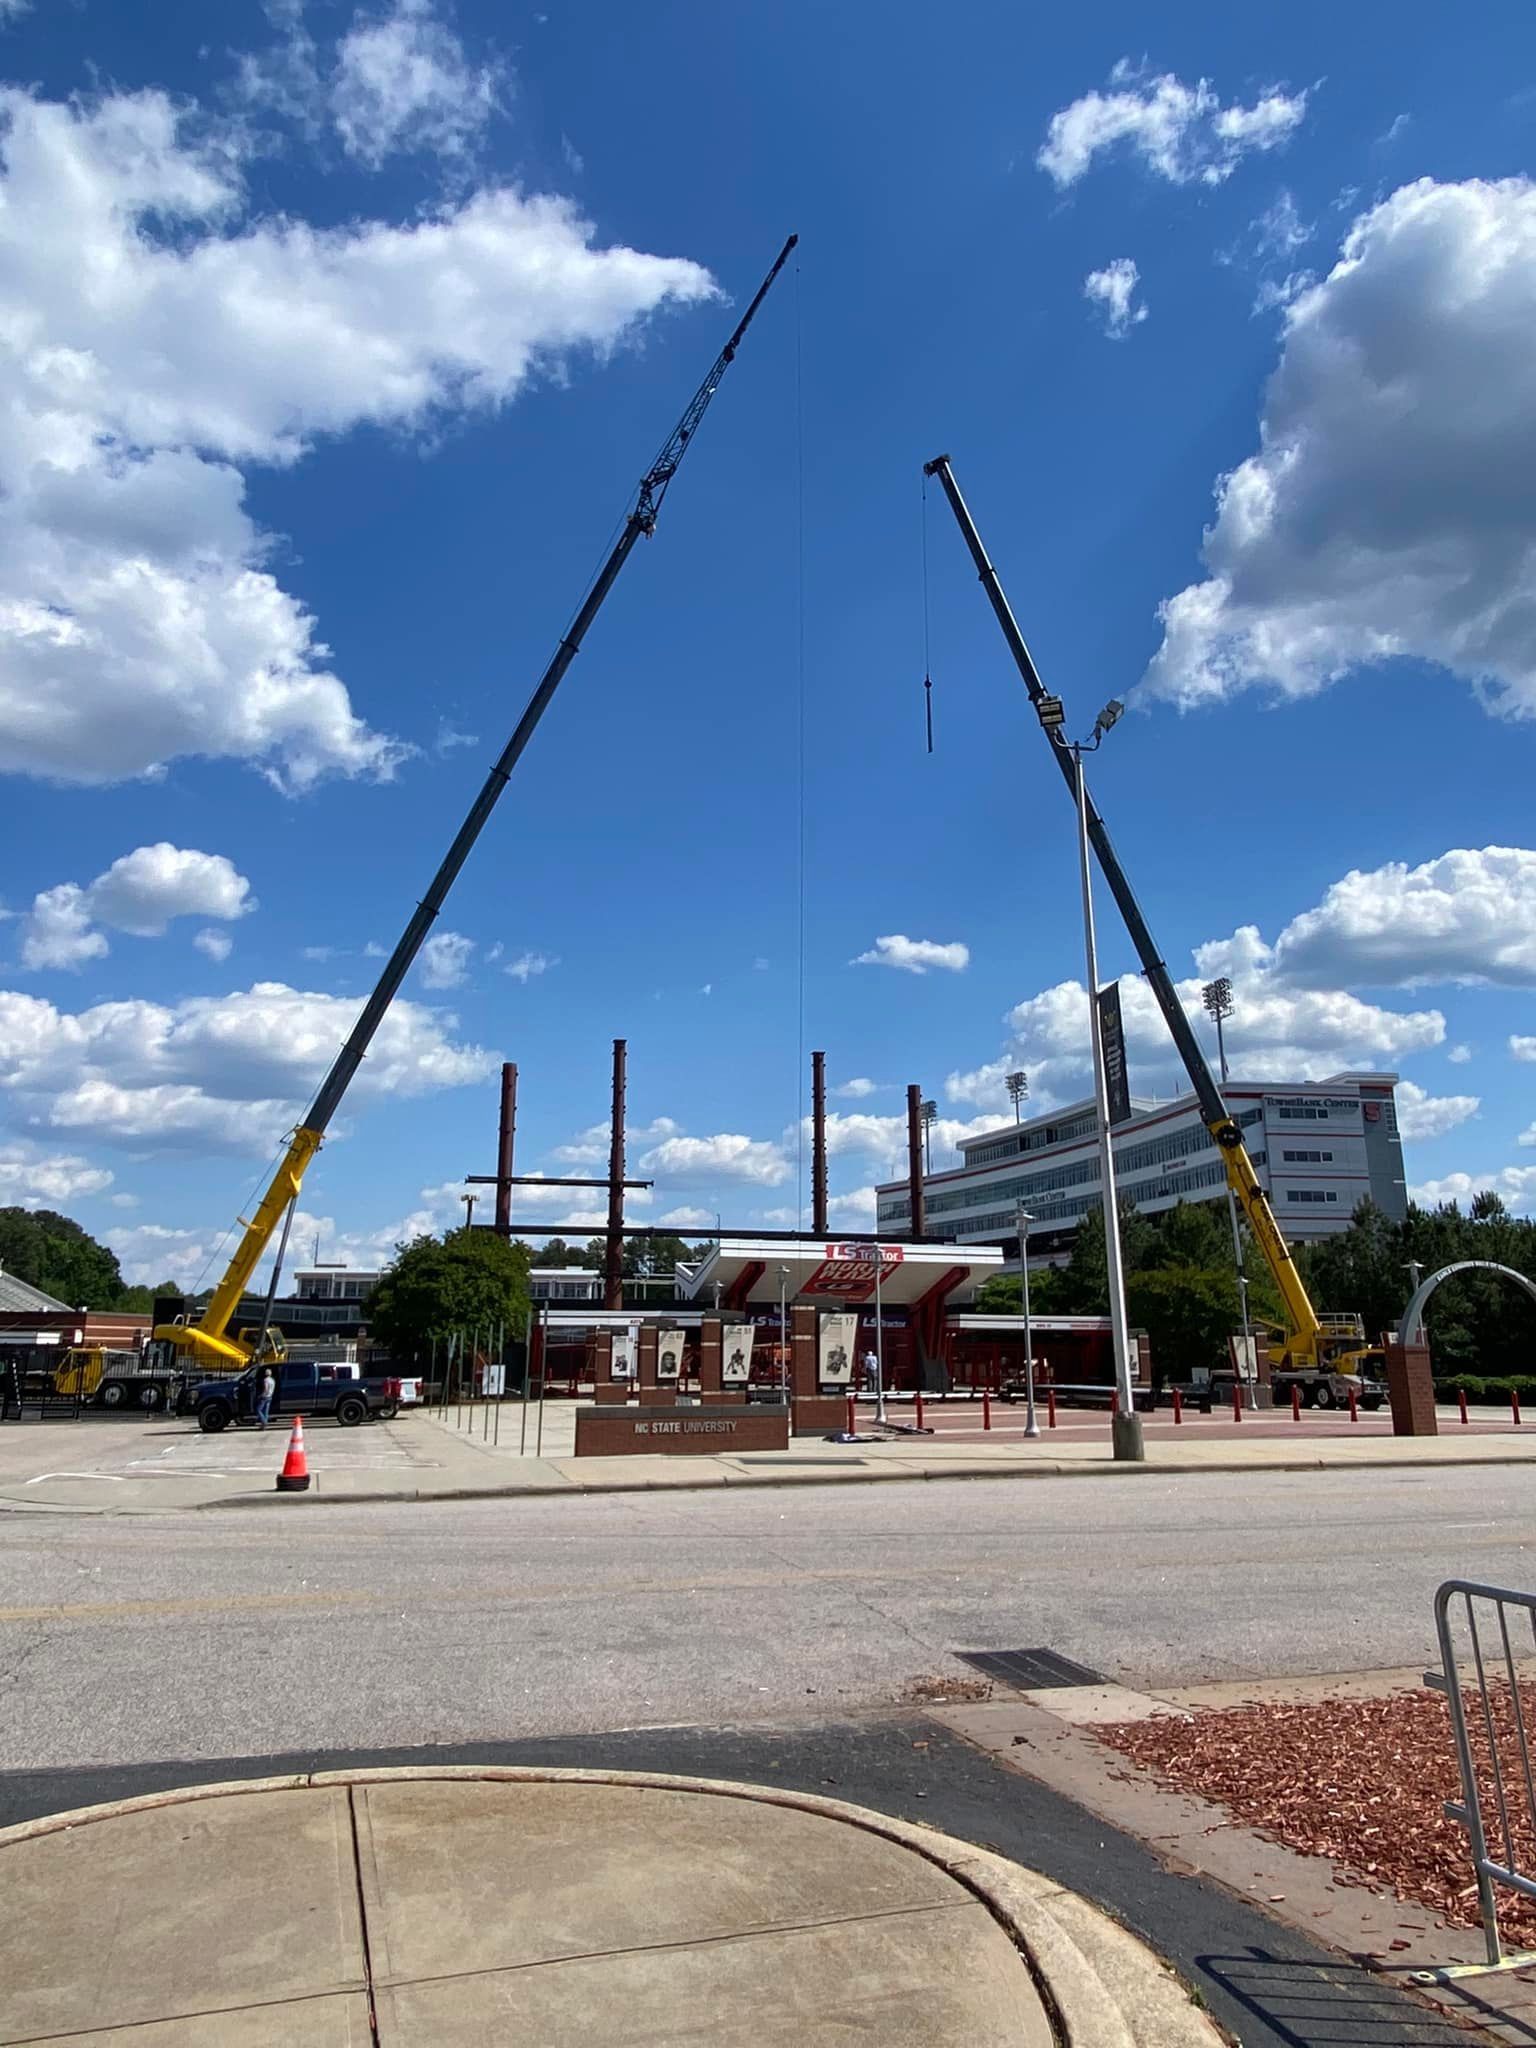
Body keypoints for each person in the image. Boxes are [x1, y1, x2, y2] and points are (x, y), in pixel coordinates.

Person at [254, 1363, 276, 1430]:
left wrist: (261, 1395)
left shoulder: (266, 1380)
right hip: (270, 1396)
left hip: (265, 1397)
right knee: (266, 1412)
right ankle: (263, 1426)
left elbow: (266, 1389)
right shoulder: (272, 1380)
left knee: (258, 1410)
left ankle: (264, 1422)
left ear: (265, 1373)